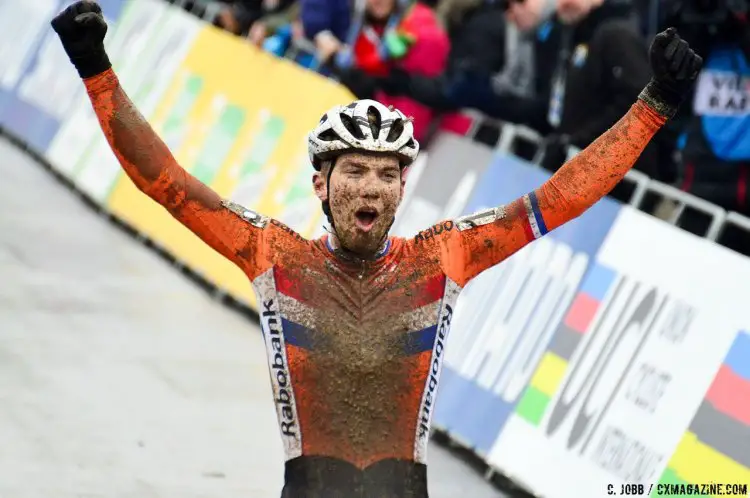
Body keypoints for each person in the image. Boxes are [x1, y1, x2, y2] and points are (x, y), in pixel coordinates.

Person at [51, 1, 702, 496]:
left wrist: (654, 106)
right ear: (320, 184)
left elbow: (561, 197)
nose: (372, 186)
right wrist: (97, 73)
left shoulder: (441, 258)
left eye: (388, 173)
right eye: (355, 170)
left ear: (402, 187)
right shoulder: (275, 256)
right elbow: (168, 186)